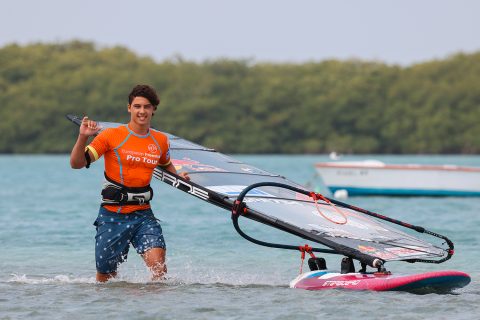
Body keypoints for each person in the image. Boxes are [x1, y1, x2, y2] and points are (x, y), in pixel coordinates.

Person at [70, 84, 189, 282]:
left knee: (159, 271)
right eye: (137, 106)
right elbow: (77, 163)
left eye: (147, 107)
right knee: (106, 280)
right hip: (112, 216)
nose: (142, 111)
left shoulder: (160, 140)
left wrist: (179, 176)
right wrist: (83, 137)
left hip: (144, 215)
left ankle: (152, 312)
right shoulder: (110, 136)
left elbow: (166, 165)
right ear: (129, 108)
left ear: (153, 110)